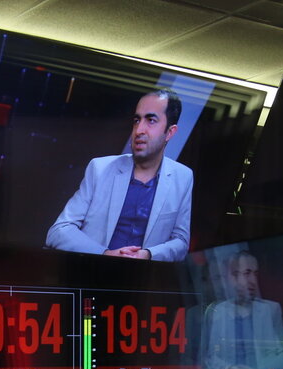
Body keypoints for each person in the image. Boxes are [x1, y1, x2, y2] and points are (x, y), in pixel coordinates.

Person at [45, 89, 192, 262]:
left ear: (170, 132)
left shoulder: (182, 177)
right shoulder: (100, 169)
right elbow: (59, 231)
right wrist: (104, 254)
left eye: (151, 120)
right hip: (91, 270)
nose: (139, 130)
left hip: (140, 276)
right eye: (137, 120)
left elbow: (181, 242)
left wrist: (148, 255)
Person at [201, 250, 283, 369]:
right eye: (247, 273)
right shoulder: (217, 312)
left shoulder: (271, 310)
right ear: (234, 277)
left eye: (255, 274)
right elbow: (210, 358)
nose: (253, 280)